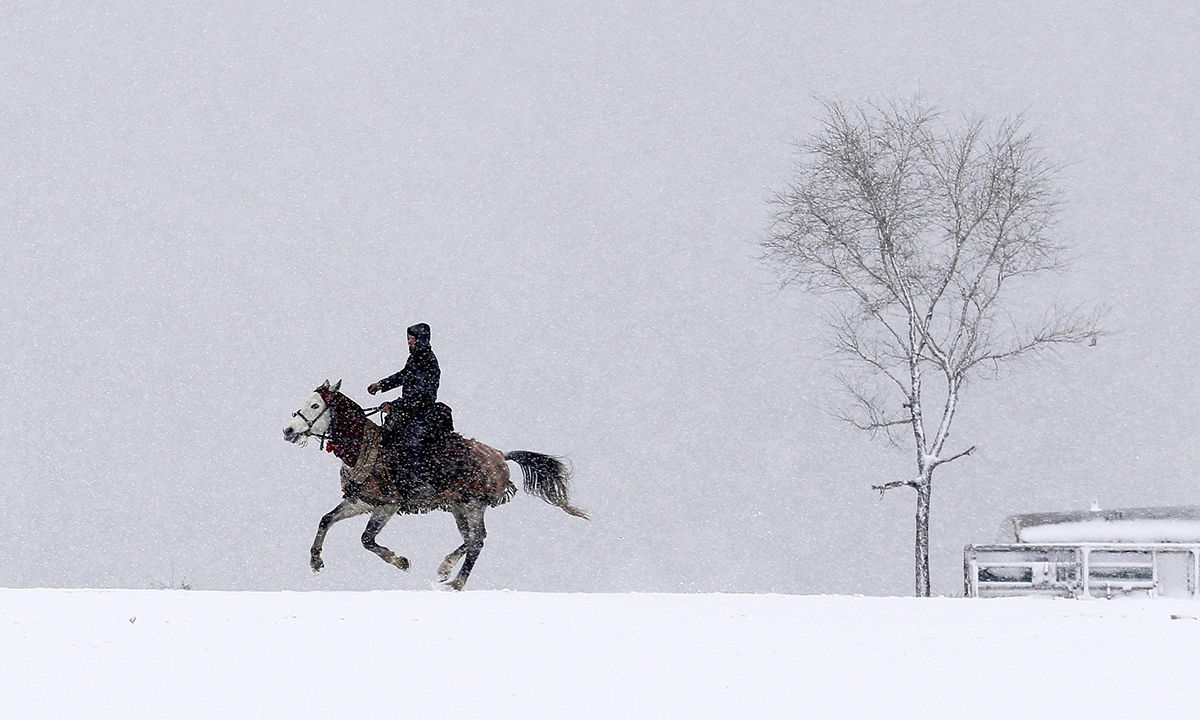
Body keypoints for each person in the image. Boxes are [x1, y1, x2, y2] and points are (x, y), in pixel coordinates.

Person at [368, 323, 441, 490]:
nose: (409, 343)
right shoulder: (415, 358)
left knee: (410, 443)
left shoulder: (428, 361)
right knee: (385, 436)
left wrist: (393, 406)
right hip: (409, 409)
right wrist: (381, 385)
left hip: (422, 412)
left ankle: (422, 485)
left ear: (421, 340)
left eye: (412, 340)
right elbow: (403, 375)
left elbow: (420, 396)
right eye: (408, 339)